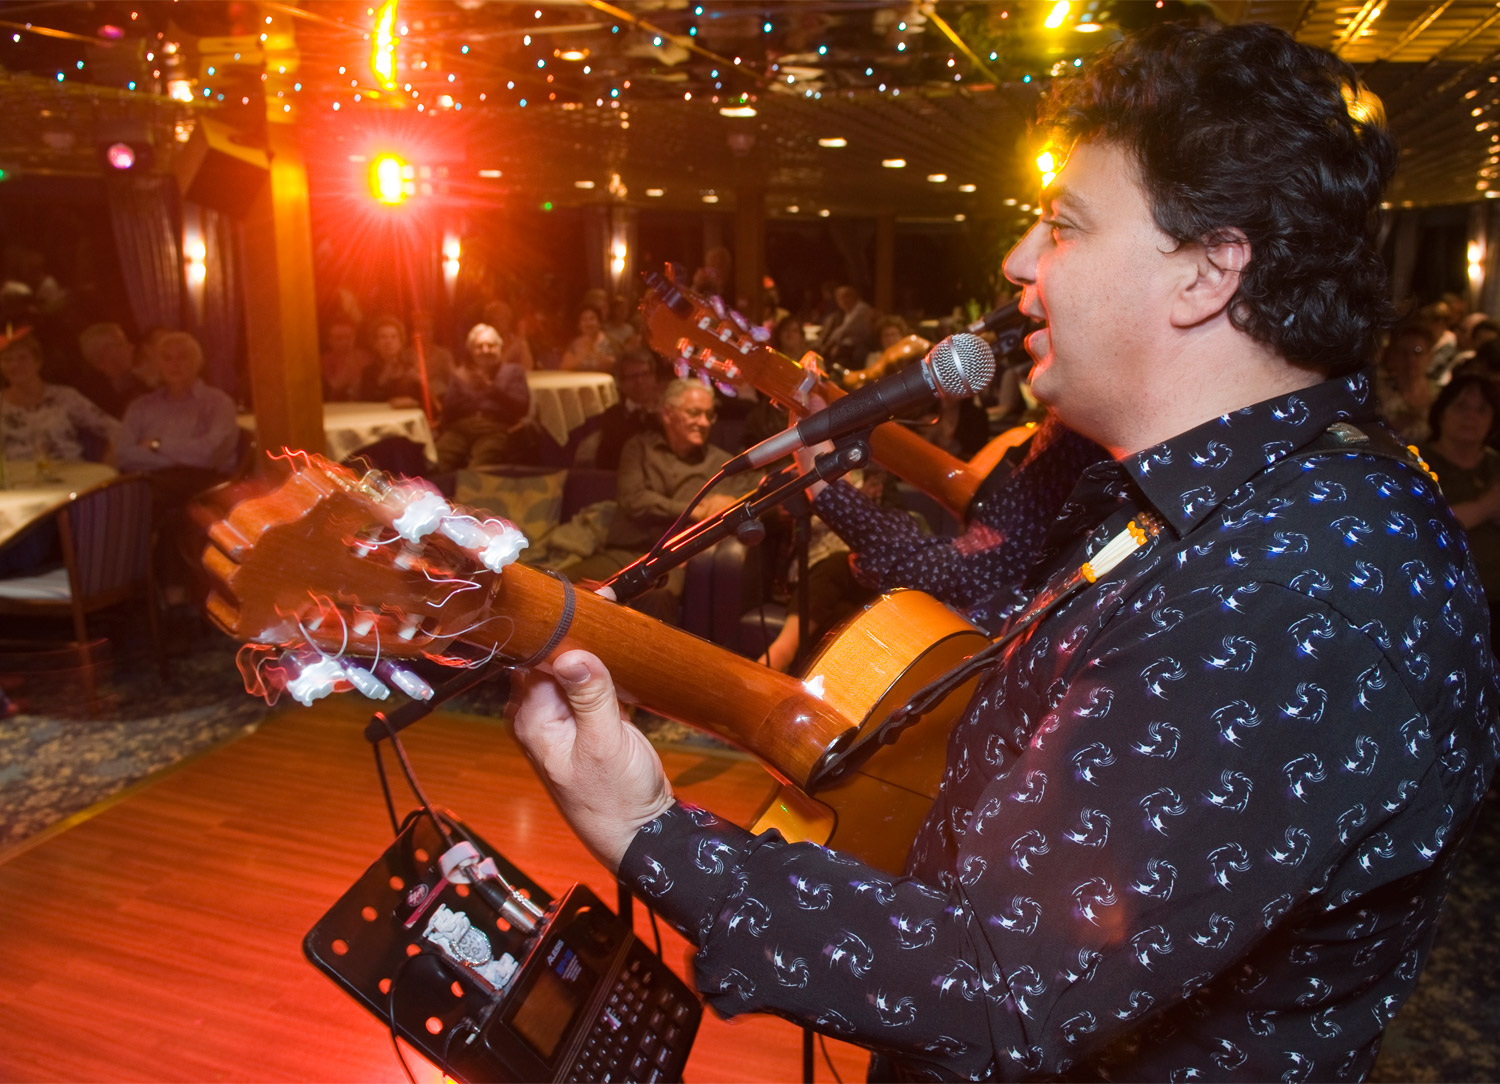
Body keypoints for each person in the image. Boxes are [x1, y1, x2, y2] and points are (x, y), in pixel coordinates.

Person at [512, 22, 1498, 1081]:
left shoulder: (1296, 594)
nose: (1020, 262)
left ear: (1209, 273)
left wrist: (651, 831)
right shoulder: (1220, 497)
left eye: (1065, 226)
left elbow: (1004, 984)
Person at [566, 378, 751, 622]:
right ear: (667, 414)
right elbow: (634, 501)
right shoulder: (638, 448)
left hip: (669, 562)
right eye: (694, 413)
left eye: (709, 415)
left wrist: (729, 501)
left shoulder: (721, 464)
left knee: (657, 596)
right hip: (623, 554)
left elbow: (753, 491)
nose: (704, 423)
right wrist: (693, 511)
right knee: (558, 582)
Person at [1419, 373, 1500, 643]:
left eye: (1481, 409)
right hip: (1444, 605)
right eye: (1461, 406)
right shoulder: (1416, 463)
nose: (1470, 416)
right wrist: (1485, 507)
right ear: (1441, 412)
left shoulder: (1495, 465)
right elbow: (1422, 526)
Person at [116, 330, 240, 497]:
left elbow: (211, 454)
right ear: (157, 364)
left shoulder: (218, 403)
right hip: (149, 479)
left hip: (202, 486)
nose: (175, 364)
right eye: (167, 358)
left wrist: (157, 445)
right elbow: (124, 454)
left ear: (197, 361)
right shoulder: (141, 406)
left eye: (182, 357)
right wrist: (183, 458)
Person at [0, 328, 119, 462]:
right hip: (19, 474)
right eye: (7, 359)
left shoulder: (65, 397)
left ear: (38, 362)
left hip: (71, 472)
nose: (14, 365)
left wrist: (107, 468)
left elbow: (116, 430)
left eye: (22, 358)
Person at [432, 323, 534, 472]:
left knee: (479, 468)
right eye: (479, 347)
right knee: (437, 462)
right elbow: (448, 409)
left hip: (494, 428)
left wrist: (491, 388)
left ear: (499, 347)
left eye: (491, 346)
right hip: (460, 429)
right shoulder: (460, 375)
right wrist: (473, 397)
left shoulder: (513, 371)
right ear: (471, 350)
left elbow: (521, 406)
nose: (485, 350)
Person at [589, 349, 664, 471]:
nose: (640, 381)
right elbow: (604, 462)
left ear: (654, 377)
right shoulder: (612, 417)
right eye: (633, 377)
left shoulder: (668, 413)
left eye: (645, 374)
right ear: (621, 383)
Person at [73, 322, 147, 418]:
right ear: (105, 354)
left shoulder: (143, 379)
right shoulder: (91, 400)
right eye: (122, 343)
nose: (131, 347)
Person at [320, 317, 373, 402]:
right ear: (330, 340)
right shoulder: (323, 362)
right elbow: (331, 389)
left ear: (354, 337)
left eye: (348, 337)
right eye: (339, 338)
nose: (344, 342)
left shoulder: (367, 358)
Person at [559, 305, 618, 373]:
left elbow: (613, 366)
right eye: (584, 319)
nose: (588, 323)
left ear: (599, 323)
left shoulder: (610, 342)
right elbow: (564, 367)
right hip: (580, 379)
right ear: (579, 325)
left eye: (592, 319)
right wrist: (582, 354)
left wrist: (595, 353)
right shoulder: (575, 344)